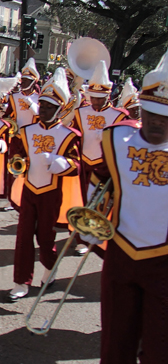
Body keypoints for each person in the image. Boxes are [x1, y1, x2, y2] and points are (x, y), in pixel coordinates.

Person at [88, 48, 168, 364]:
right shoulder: (117, 139)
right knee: (115, 346)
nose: (158, 123)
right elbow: (100, 177)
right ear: (141, 110)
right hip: (120, 255)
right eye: (152, 113)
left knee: (159, 352)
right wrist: (91, 211)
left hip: (165, 263)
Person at [7, 68, 82, 301]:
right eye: (43, 105)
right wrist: (18, 162)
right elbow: (15, 155)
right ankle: (21, 280)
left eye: (50, 107)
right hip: (30, 188)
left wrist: (63, 163)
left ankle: (50, 269)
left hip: (52, 192)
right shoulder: (26, 131)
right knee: (23, 235)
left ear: (59, 108)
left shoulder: (69, 135)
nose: (45, 110)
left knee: (46, 236)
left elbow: (78, 165)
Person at [72, 60, 127, 255]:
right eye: (93, 97)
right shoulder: (80, 112)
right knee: (81, 201)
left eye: (99, 98)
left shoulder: (119, 116)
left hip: (105, 167)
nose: (95, 102)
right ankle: (81, 239)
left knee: (97, 203)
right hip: (84, 164)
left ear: (108, 96)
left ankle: (94, 236)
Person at [5, 58, 40, 128]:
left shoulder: (39, 98)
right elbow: (7, 115)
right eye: (22, 80)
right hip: (17, 135)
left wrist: (32, 105)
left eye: (26, 80)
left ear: (33, 83)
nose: (22, 82)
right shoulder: (13, 97)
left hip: (32, 135)